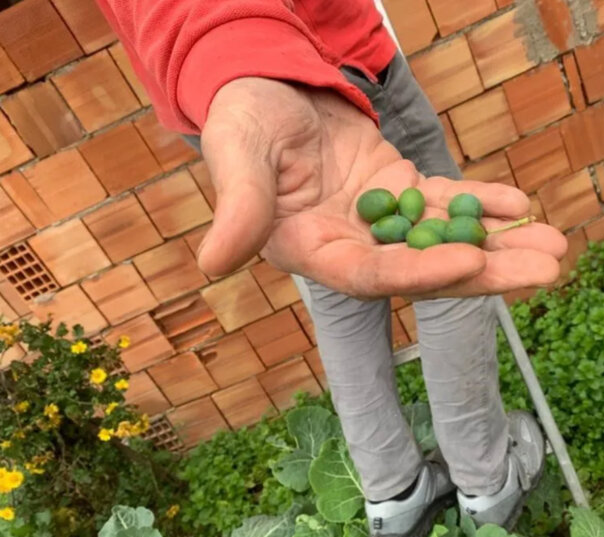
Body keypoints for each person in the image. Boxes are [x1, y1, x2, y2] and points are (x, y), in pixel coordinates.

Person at [96, 1, 569, 535]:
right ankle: (487, 483)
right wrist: (239, 48)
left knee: (339, 282)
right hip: (322, 66)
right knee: (446, 275)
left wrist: (222, 58)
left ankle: (394, 495)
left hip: (197, 84)